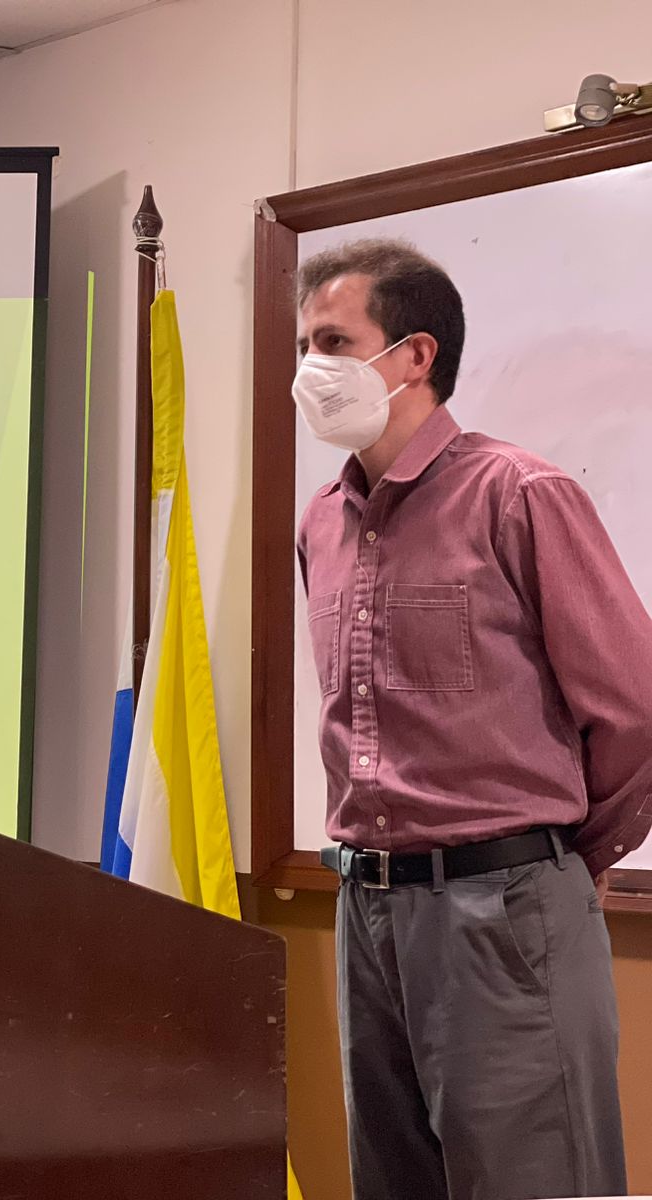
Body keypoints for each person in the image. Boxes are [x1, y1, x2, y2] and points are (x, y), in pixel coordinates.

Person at [292, 237, 652, 1200]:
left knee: (535, 1182)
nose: (310, 369)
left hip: (505, 909)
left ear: (415, 354)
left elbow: (635, 710)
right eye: (304, 345)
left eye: (333, 342)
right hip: (366, 910)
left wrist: (553, 860)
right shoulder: (321, 521)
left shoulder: (518, 495)